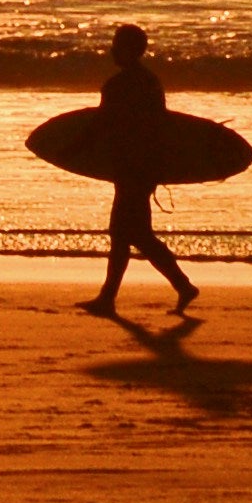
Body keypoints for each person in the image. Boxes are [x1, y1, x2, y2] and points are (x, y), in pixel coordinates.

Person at [83, 22, 197, 315]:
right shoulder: (151, 82)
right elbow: (161, 128)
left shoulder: (118, 85)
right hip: (146, 166)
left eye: (116, 45)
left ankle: (112, 298)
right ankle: (177, 286)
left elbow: (105, 128)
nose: (111, 50)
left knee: (126, 233)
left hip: (130, 167)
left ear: (130, 50)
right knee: (133, 234)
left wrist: (84, 152)